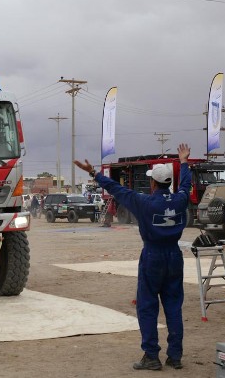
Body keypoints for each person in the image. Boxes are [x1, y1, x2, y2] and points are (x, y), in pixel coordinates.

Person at [74, 143, 191, 371]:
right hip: (174, 256)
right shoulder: (180, 199)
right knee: (174, 306)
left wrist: (93, 173)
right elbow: (186, 184)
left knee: (147, 306)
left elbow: (117, 189)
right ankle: (175, 356)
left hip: (153, 256)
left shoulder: (144, 203)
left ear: (153, 183)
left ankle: (151, 355)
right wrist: (184, 162)